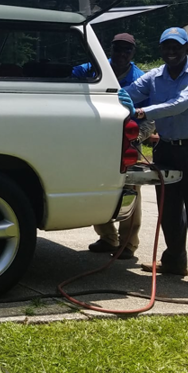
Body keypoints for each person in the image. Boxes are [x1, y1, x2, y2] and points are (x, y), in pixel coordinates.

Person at [127, 26, 188, 289]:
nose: (171, 51)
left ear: (186, 48)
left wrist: (142, 112)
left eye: (176, 46)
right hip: (166, 148)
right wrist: (112, 100)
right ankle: (174, 262)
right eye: (167, 47)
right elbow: (130, 93)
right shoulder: (155, 76)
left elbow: (181, 103)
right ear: (161, 49)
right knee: (168, 209)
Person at [76, 33, 146, 259]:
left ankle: (128, 244)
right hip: (95, 140)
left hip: (129, 141)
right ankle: (107, 237)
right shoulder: (92, 69)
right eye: (118, 49)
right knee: (97, 185)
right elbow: (72, 76)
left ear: (133, 53)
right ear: (110, 49)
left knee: (130, 190)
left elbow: (150, 117)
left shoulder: (140, 78)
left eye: (127, 50)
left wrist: (136, 137)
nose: (121, 54)